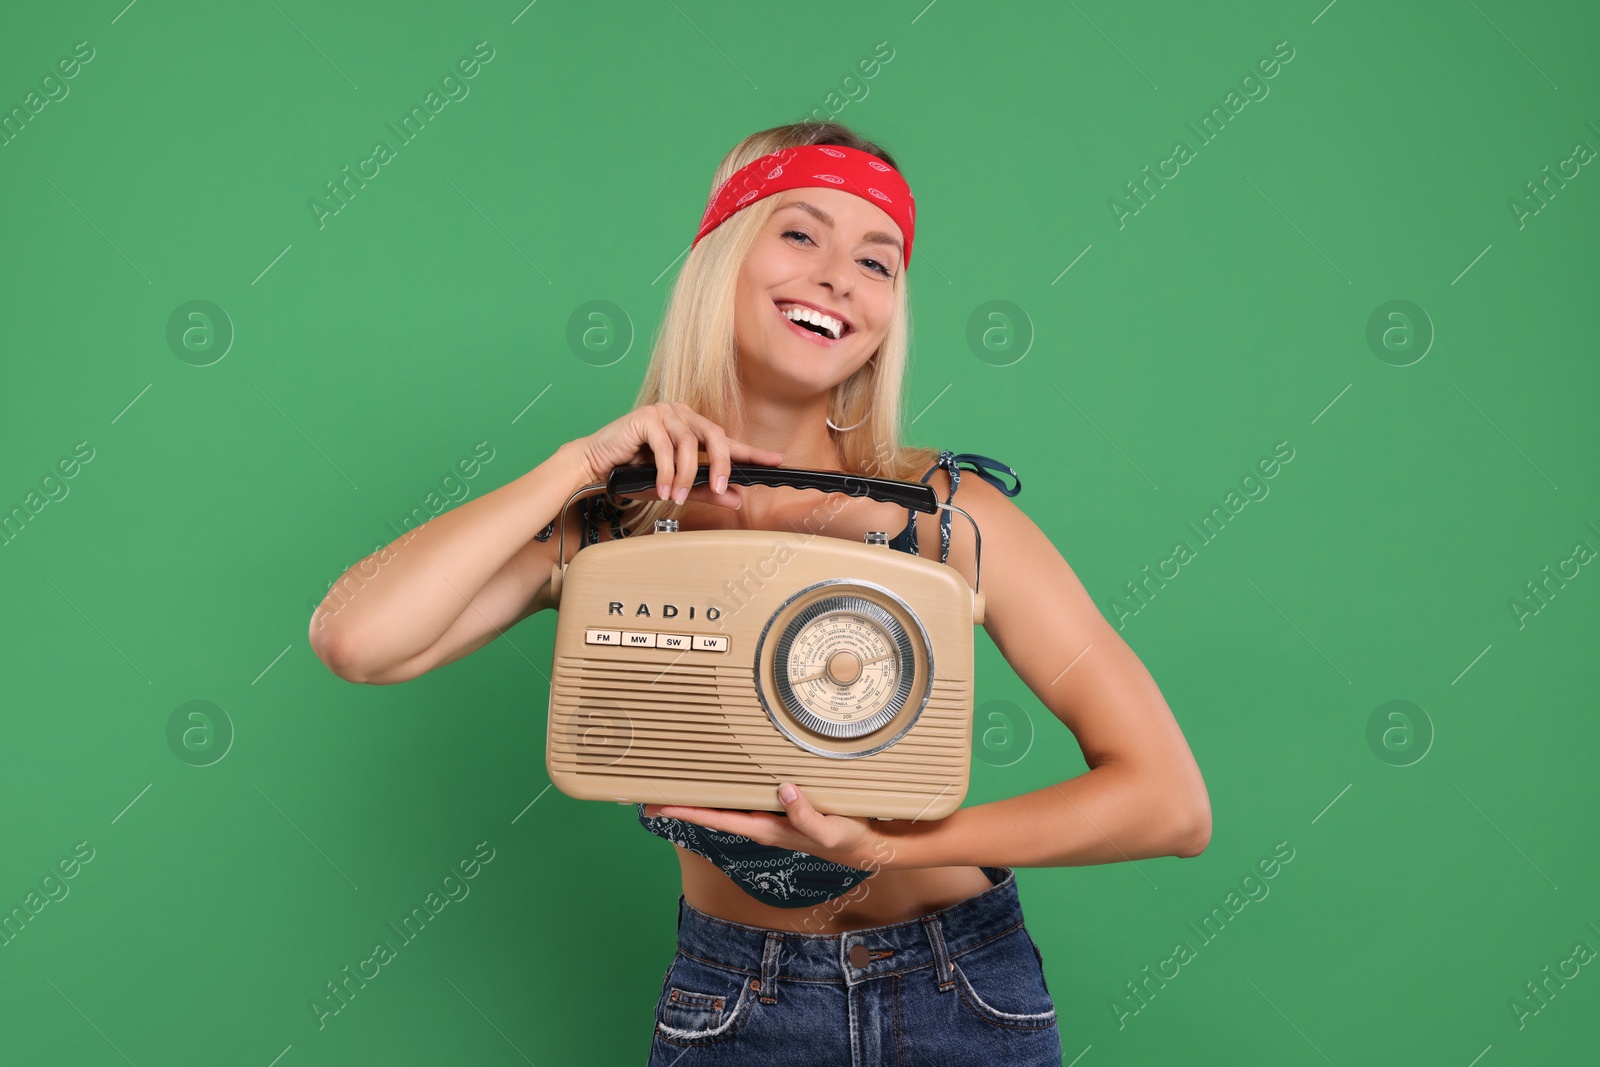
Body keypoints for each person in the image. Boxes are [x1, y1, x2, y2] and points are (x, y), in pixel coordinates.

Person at [309, 119, 1211, 1065]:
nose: (837, 277)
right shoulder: (610, 521)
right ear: (721, 254)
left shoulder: (946, 513)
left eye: (879, 260)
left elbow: (1168, 802)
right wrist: (572, 466)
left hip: (961, 991)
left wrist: (889, 849)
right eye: (799, 232)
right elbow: (358, 639)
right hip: (737, 1000)